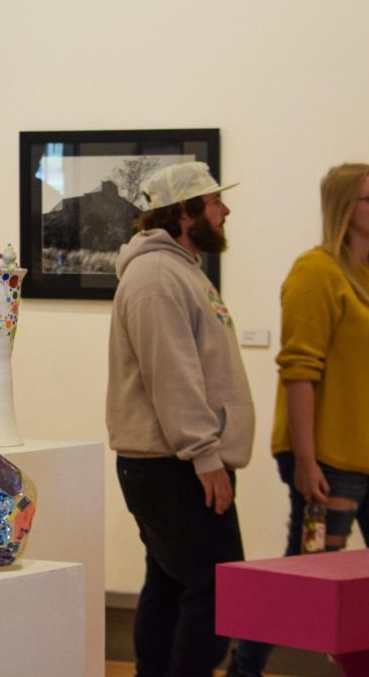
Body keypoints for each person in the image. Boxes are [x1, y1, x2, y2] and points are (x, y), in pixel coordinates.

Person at [226, 163, 369, 677]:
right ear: (344, 210)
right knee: (306, 578)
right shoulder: (316, 273)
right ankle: (245, 667)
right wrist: (306, 462)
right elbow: (299, 372)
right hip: (330, 461)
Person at [106, 160, 254, 677]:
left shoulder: (181, 272)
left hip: (175, 462)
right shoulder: (155, 277)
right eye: (215, 202)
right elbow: (172, 377)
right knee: (215, 588)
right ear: (186, 212)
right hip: (172, 464)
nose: (225, 210)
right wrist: (204, 454)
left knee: (171, 584)